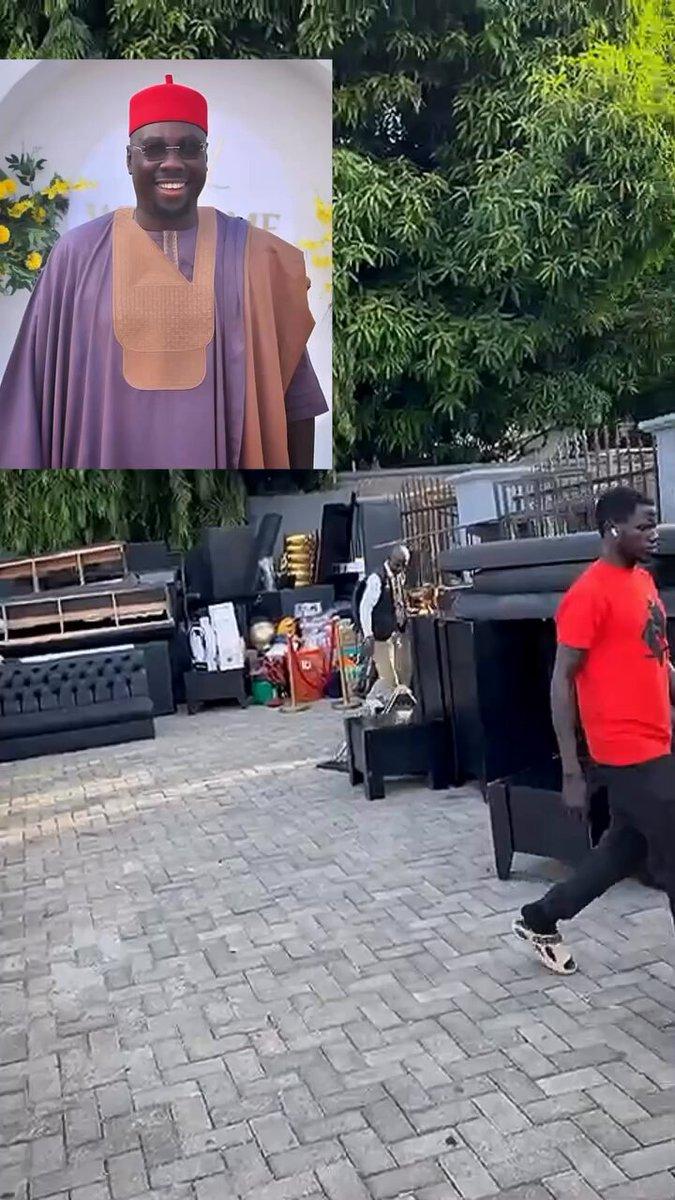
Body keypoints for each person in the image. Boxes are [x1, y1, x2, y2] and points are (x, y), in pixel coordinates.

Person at [0, 73, 327, 468]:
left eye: (189, 148)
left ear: (206, 158)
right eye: (153, 149)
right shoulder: (76, 257)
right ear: (129, 159)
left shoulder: (256, 258)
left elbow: (295, 399)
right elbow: (30, 399)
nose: (172, 162)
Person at [512, 486, 675, 975]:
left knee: (622, 851)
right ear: (612, 530)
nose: (654, 534)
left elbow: (657, 656)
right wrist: (571, 772)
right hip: (627, 753)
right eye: (644, 526)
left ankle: (541, 918)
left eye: (654, 524)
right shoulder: (588, 594)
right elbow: (561, 681)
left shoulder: (642, 581)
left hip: (658, 740)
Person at [359, 544, 412, 703]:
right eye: (398, 564)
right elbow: (365, 608)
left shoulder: (399, 576)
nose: (400, 569)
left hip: (397, 632)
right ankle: (373, 700)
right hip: (380, 636)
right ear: (390, 559)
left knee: (405, 673)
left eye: (403, 565)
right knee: (389, 679)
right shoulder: (377, 579)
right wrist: (368, 635)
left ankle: (396, 703)